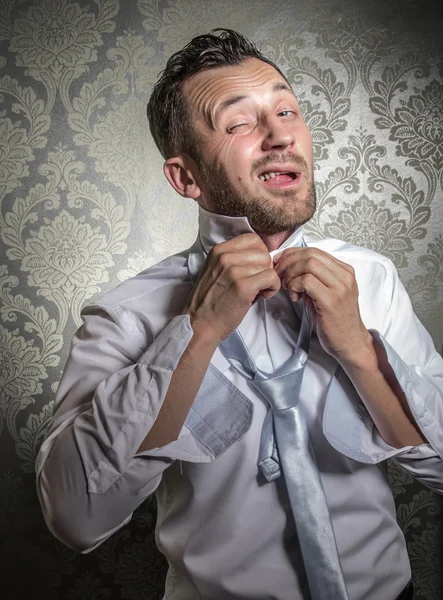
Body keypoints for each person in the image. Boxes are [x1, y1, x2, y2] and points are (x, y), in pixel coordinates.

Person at [36, 29, 443, 600]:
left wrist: (358, 350)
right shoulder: (128, 313)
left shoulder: (370, 278)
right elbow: (75, 517)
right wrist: (195, 333)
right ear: (186, 177)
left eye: (286, 110)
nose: (281, 136)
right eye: (239, 124)